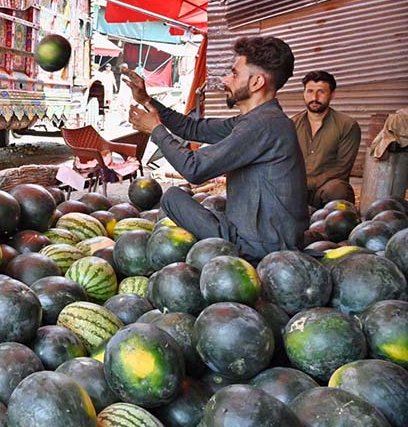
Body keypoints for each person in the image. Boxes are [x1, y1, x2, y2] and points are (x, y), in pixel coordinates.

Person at [126, 36, 308, 261]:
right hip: (266, 238)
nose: (226, 80)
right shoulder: (259, 120)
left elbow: (194, 169)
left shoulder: (263, 125)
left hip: (261, 248)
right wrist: (147, 100)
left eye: (234, 74)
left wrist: (156, 130)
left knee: (172, 197)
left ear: (256, 82)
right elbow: (191, 127)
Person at [292, 71, 361, 207]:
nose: (314, 97)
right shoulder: (291, 124)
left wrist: (309, 183)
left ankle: (335, 225)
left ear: (332, 94)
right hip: (294, 187)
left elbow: (342, 167)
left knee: (338, 190)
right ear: (304, 93)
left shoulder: (347, 125)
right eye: (310, 91)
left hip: (324, 189)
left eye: (321, 92)